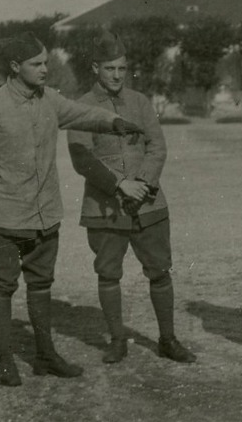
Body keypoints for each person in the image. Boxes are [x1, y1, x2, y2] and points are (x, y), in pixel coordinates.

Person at [0, 32, 143, 386]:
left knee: (41, 285)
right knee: (3, 288)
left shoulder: (49, 101)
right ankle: (5, 360)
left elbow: (82, 113)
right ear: (15, 67)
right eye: (36, 64)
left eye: (45, 62)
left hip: (45, 216)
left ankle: (45, 355)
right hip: (4, 220)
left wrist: (112, 122)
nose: (45, 69)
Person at [67, 31, 196, 365]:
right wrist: (119, 185)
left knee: (159, 271)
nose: (116, 75)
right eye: (109, 68)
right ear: (96, 67)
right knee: (108, 273)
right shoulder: (80, 107)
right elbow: (82, 158)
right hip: (105, 207)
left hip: (148, 202)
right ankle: (117, 340)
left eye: (122, 69)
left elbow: (157, 145)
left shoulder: (140, 102)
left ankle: (168, 339)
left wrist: (143, 182)